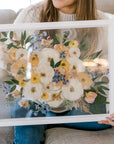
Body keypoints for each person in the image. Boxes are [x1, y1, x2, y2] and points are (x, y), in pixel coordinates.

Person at [12, 0, 114, 144]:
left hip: (78, 102)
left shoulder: (102, 23)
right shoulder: (31, 15)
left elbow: (108, 72)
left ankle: (50, 119)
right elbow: (9, 56)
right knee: (27, 136)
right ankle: (48, 118)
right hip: (35, 99)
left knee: (105, 116)